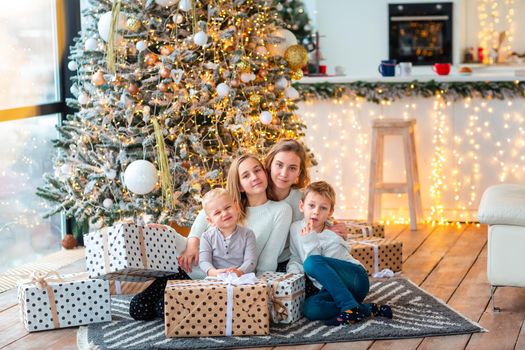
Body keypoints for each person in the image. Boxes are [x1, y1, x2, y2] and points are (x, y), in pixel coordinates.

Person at [179, 139, 346, 274]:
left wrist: (333, 226)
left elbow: (318, 213)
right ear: (269, 165)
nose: (283, 173)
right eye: (279, 165)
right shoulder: (239, 200)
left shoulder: (297, 201)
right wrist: (193, 242)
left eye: (292, 168)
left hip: (275, 262)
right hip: (219, 265)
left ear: (299, 173)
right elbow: (207, 212)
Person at [287, 181, 393, 325]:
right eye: (311, 205)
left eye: (323, 208)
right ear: (301, 206)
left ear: (330, 212)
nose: (316, 211)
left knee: (311, 263)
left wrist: (310, 240)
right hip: (332, 290)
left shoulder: (332, 236)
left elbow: (322, 270)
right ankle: (364, 309)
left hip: (355, 280)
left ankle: (349, 306)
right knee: (310, 309)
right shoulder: (295, 229)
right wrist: (292, 275)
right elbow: (295, 257)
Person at [180, 154, 292, 274]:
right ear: (240, 186)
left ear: (265, 173)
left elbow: (269, 257)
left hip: (237, 277)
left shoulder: (281, 210)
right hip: (199, 264)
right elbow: (204, 214)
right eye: (246, 176)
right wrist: (192, 244)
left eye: (257, 170)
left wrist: (257, 286)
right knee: (164, 232)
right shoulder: (231, 205)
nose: (254, 177)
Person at [199, 188, 257, 277]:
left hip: (242, 277)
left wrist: (239, 272)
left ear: (237, 208)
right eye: (217, 213)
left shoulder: (248, 234)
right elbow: (204, 262)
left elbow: (251, 261)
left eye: (227, 208)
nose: (225, 213)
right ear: (210, 221)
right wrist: (214, 272)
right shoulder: (207, 237)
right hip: (216, 278)